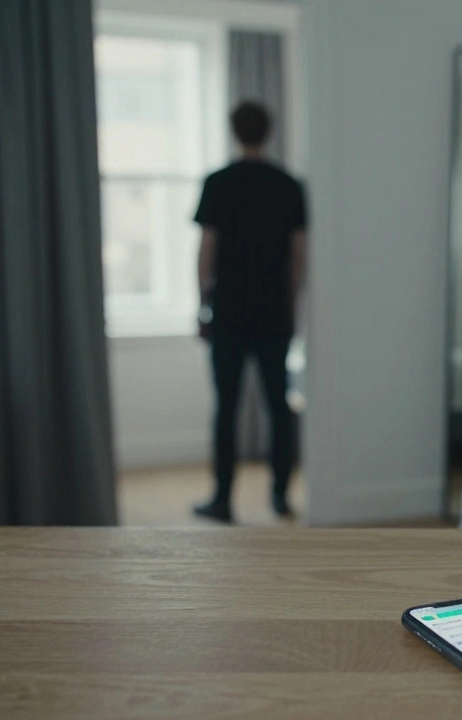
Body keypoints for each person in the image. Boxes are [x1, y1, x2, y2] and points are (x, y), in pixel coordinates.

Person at [192, 101, 307, 523]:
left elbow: (207, 249)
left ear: (234, 132)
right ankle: (280, 495)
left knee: (226, 407)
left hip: (228, 312)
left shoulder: (218, 182)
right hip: (274, 313)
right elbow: (298, 254)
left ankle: (222, 498)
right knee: (279, 406)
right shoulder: (288, 185)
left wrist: (202, 303)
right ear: (268, 132)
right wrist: (291, 302)